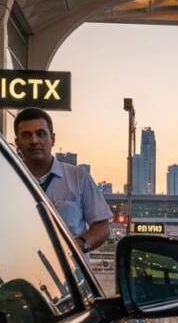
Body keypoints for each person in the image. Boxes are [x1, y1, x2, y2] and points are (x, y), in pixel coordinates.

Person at [14, 107, 111, 254]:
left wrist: (76, 247)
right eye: (26, 135)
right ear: (17, 142)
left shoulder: (78, 177)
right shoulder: (10, 180)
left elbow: (102, 227)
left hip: (70, 273)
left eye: (40, 134)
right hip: (22, 270)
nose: (34, 140)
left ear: (52, 139)